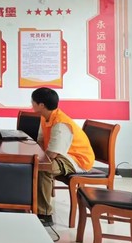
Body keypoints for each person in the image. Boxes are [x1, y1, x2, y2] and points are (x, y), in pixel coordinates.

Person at [31, 87, 95, 226]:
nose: (31, 104)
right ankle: (31, 204)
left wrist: (37, 160)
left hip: (76, 159)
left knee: (43, 168)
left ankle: (45, 214)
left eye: (33, 102)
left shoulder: (60, 123)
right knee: (36, 164)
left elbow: (52, 153)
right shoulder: (45, 117)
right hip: (62, 154)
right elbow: (40, 141)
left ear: (41, 105)